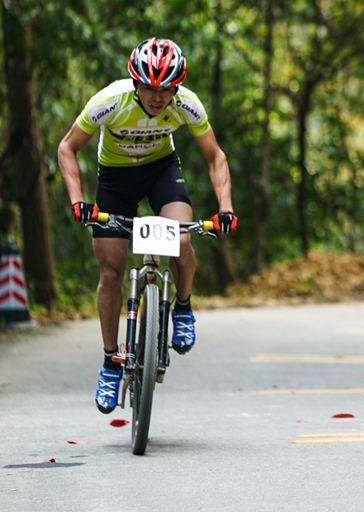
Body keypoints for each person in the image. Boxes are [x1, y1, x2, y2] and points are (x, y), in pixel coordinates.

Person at [57, 38, 237, 414]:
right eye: (150, 88)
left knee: (182, 239)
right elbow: (67, 148)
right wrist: (77, 200)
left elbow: (215, 156)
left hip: (160, 173)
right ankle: (110, 362)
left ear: (177, 87)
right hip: (115, 181)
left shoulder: (187, 104)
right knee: (110, 273)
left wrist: (225, 208)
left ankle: (182, 307)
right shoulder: (109, 101)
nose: (158, 97)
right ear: (136, 82)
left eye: (166, 89)